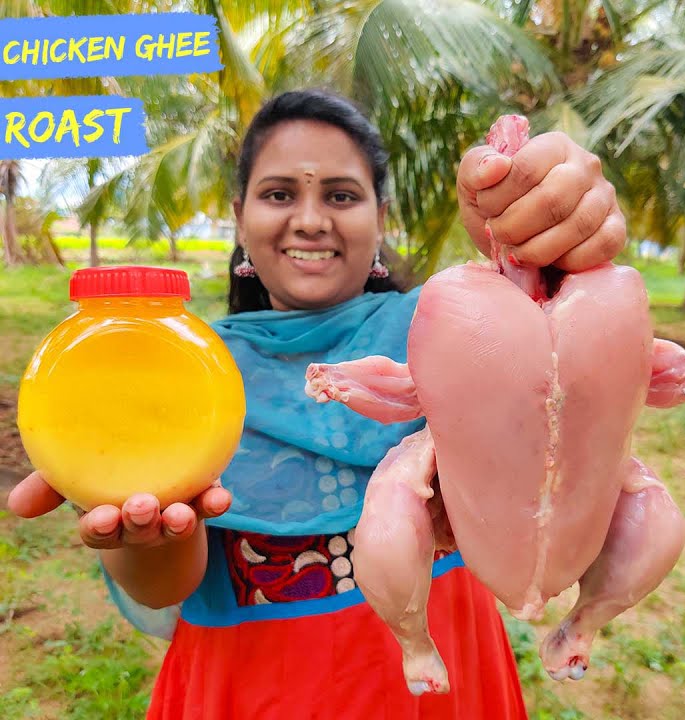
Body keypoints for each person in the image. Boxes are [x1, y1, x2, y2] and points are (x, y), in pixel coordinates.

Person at [5, 88, 627, 719]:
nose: (309, 219)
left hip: (445, 670)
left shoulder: (455, 336)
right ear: (239, 216)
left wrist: (538, 250)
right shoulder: (190, 372)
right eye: (279, 194)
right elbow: (166, 587)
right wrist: (141, 531)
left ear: (380, 217)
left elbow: (564, 385)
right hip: (250, 687)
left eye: (340, 195)